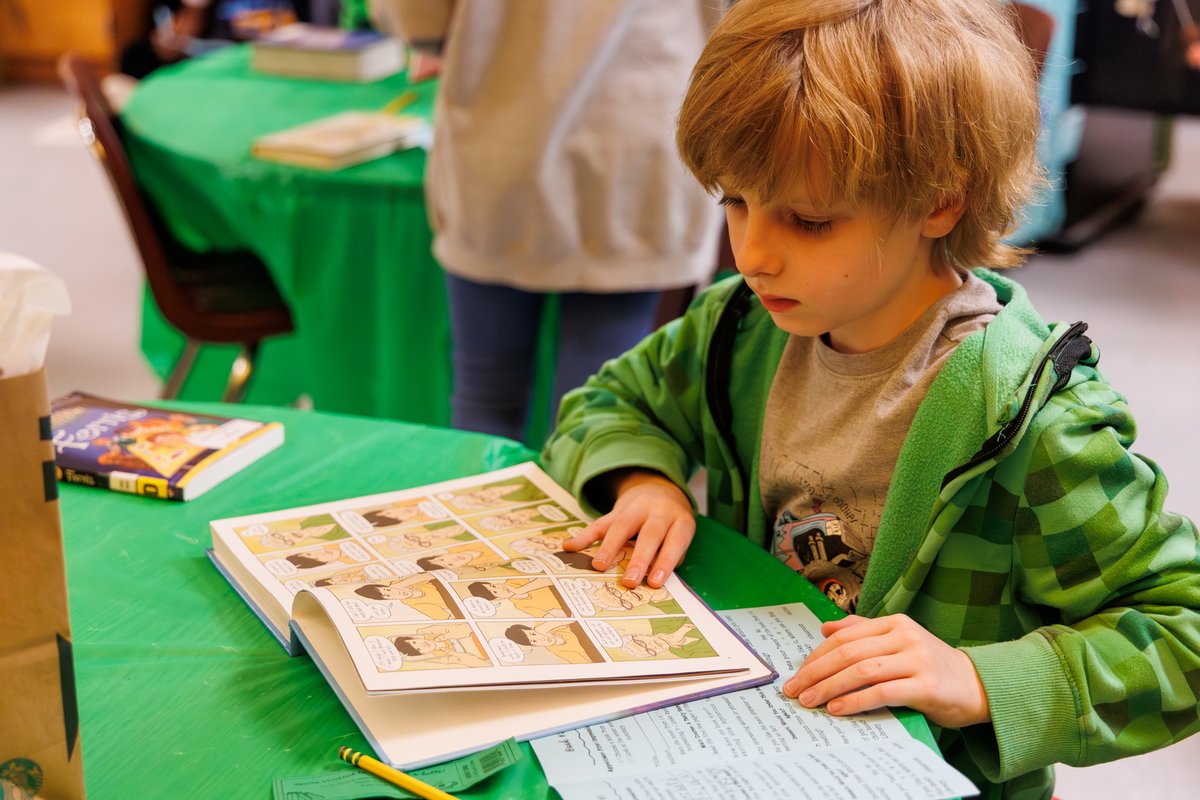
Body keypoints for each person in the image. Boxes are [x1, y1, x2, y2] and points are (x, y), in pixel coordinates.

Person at [539, 0, 1200, 796]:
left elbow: (1183, 635)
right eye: (735, 202)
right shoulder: (737, 329)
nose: (752, 254)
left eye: (809, 220)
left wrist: (978, 680)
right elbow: (610, 401)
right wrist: (643, 479)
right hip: (759, 753)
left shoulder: (1040, 420)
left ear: (940, 202)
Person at [368, 0, 726, 442]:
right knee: (597, 412)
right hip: (637, 147)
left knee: (486, 400)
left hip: (501, 142)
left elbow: (416, 16)